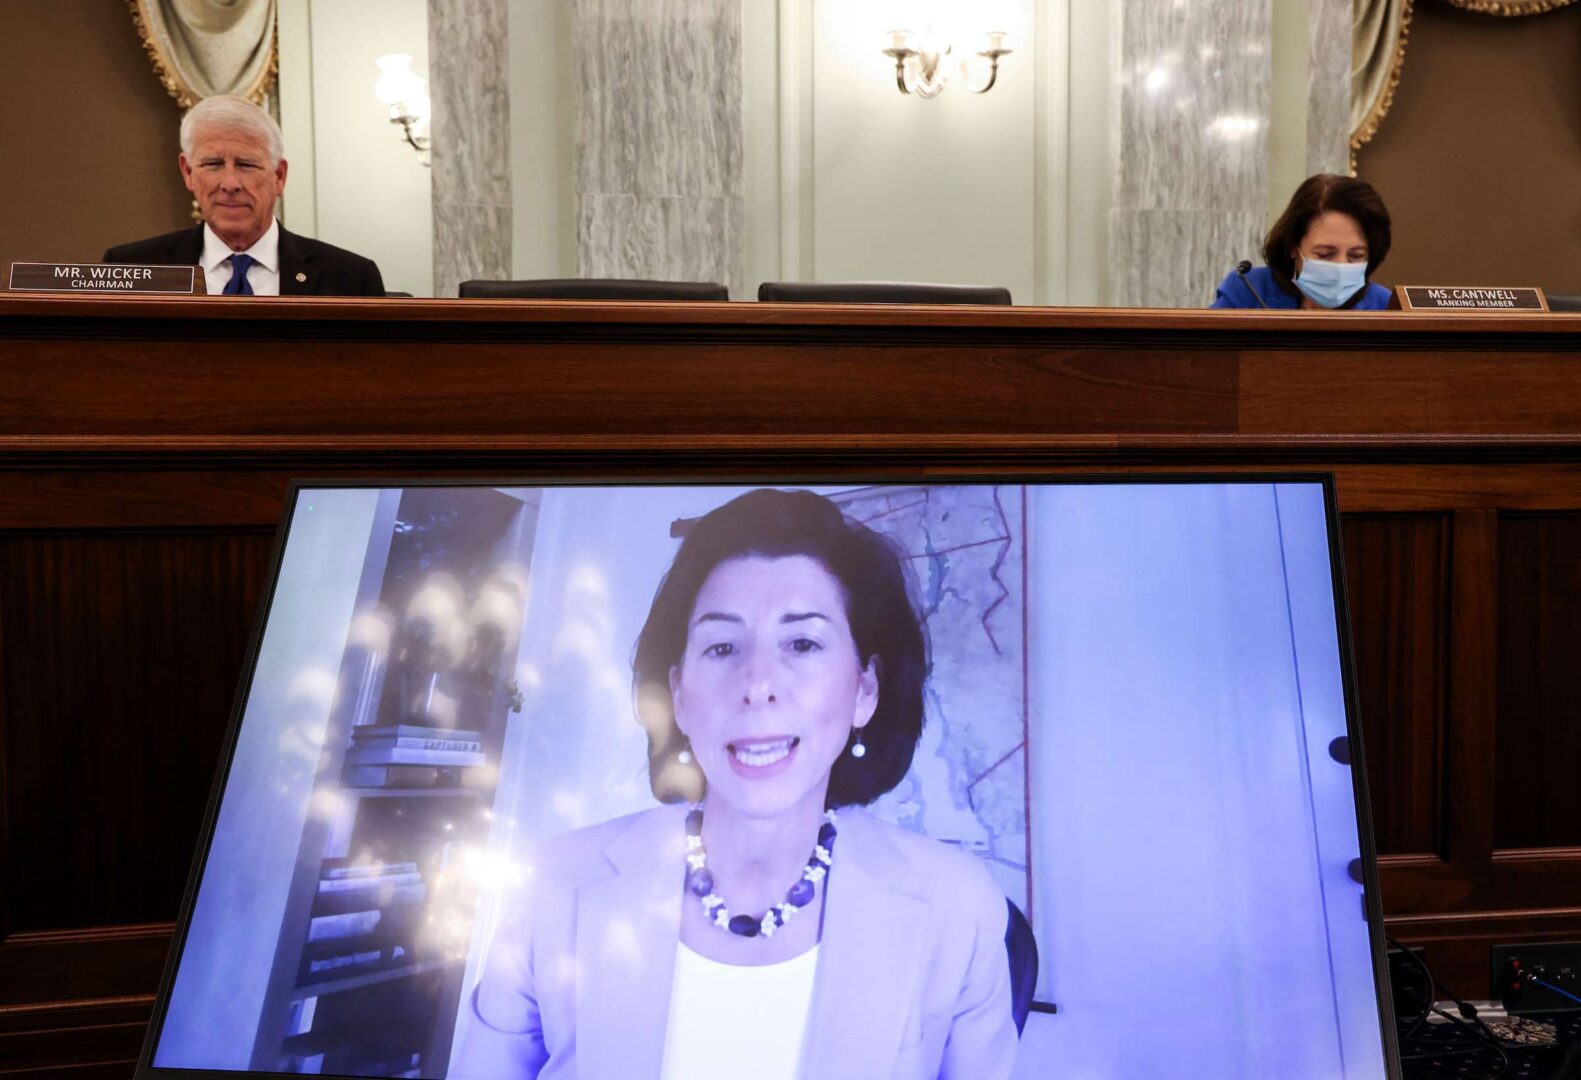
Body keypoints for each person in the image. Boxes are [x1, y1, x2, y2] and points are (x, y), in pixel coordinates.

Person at [453, 489, 1018, 1080]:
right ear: (678, 693)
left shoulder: (958, 908)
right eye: (722, 646)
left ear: (864, 690)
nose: (757, 684)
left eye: (802, 643)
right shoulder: (555, 887)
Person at [104, 95, 385, 297]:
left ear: (279, 176)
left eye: (246, 165)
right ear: (188, 172)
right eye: (212, 164)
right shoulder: (131, 269)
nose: (229, 183)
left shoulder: (350, 278)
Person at [1212, 174, 1392, 310]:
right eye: (1325, 255)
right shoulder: (1248, 291)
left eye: (1355, 256)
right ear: (1294, 247)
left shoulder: (1385, 307)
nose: (1341, 266)